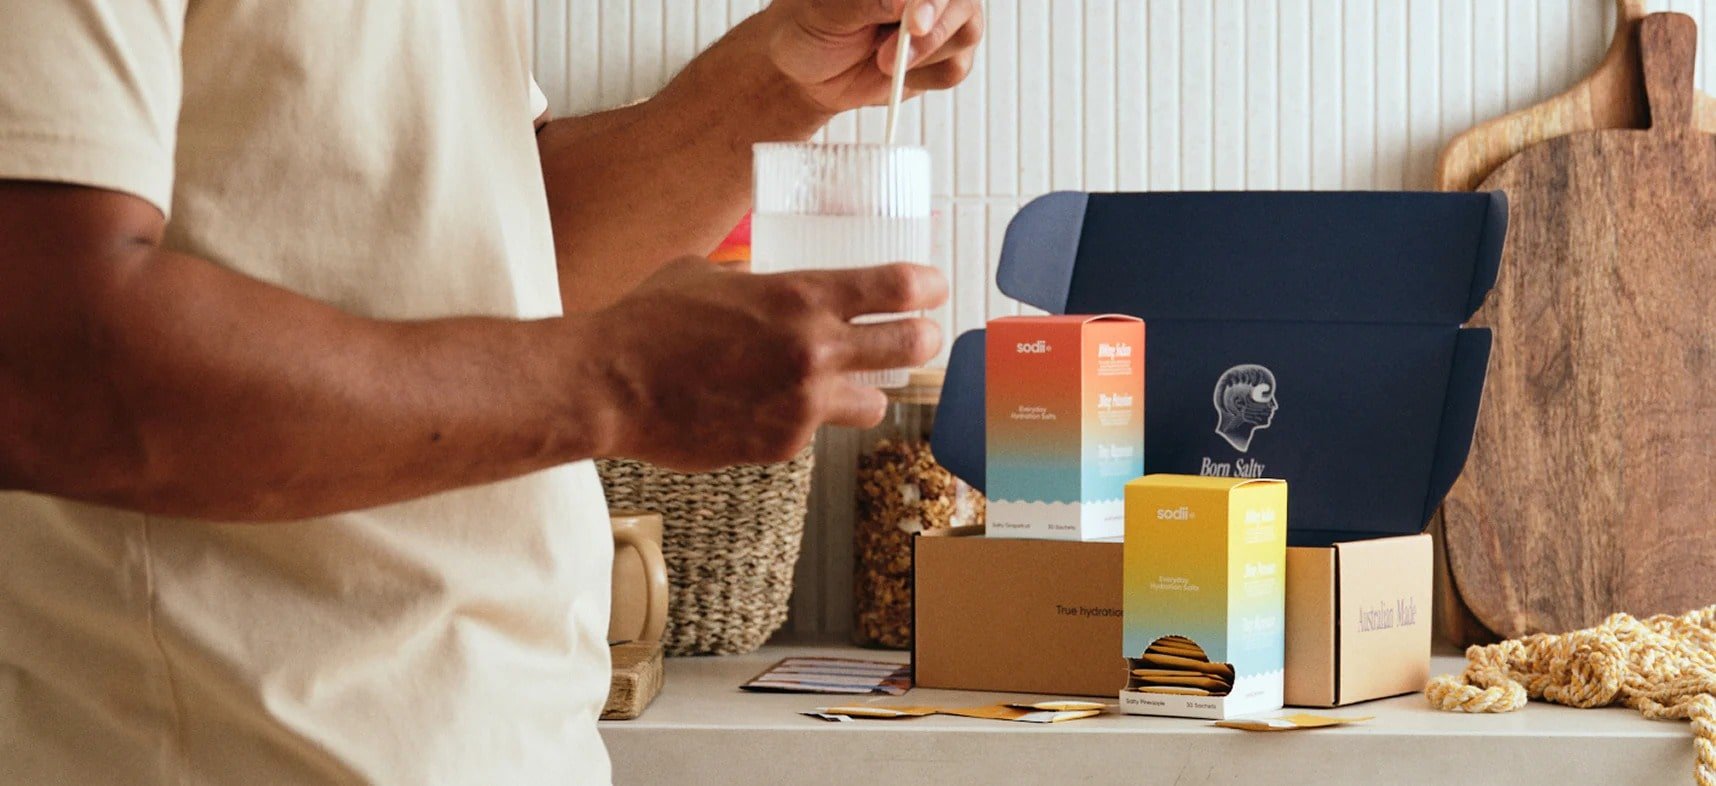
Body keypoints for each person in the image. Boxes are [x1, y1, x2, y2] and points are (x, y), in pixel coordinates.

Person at [0, 0, 982, 782]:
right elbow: (46, 359)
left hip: (503, 741)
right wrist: (615, 379)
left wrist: (775, 87)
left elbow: (497, 246)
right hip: (242, 750)